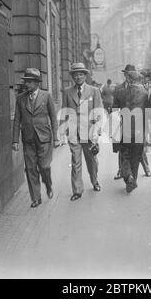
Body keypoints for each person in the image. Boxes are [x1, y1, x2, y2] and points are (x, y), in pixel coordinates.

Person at [12, 68, 60, 208]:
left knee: (44, 166)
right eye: (26, 81)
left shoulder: (47, 96)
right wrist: (15, 140)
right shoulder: (21, 98)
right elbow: (17, 120)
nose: (27, 84)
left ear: (37, 83)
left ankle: (48, 184)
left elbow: (53, 118)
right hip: (28, 139)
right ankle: (36, 198)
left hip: (44, 138)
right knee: (30, 169)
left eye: (30, 82)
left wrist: (56, 137)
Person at [61, 63, 103, 201]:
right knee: (76, 161)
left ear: (85, 76)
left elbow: (99, 112)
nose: (78, 77)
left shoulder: (94, 91)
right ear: (72, 77)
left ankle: (95, 181)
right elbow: (64, 112)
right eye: (75, 74)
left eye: (81, 74)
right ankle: (77, 190)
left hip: (90, 133)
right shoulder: (67, 92)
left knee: (92, 161)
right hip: (73, 133)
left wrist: (97, 130)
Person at [113, 64, 151, 193]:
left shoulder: (120, 92)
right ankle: (132, 179)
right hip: (140, 131)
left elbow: (113, 111)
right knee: (135, 157)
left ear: (128, 79)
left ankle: (129, 177)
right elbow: (149, 113)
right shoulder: (145, 93)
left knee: (125, 156)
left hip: (126, 129)